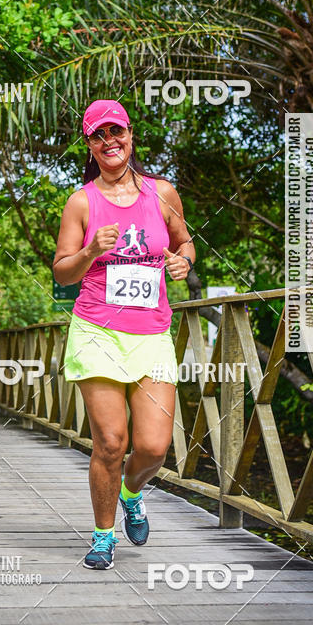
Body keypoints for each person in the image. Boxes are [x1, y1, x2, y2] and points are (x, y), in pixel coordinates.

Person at [53, 99, 195, 569]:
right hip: (97, 331)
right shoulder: (81, 202)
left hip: (151, 334)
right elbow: (62, 272)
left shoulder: (161, 193)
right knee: (111, 442)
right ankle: (102, 536)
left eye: (116, 132)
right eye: (98, 135)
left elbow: (185, 242)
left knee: (153, 446)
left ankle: (132, 492)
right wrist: (90, 250)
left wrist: (183, 261)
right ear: (89, 145)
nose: (109, 141)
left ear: (130, 135)